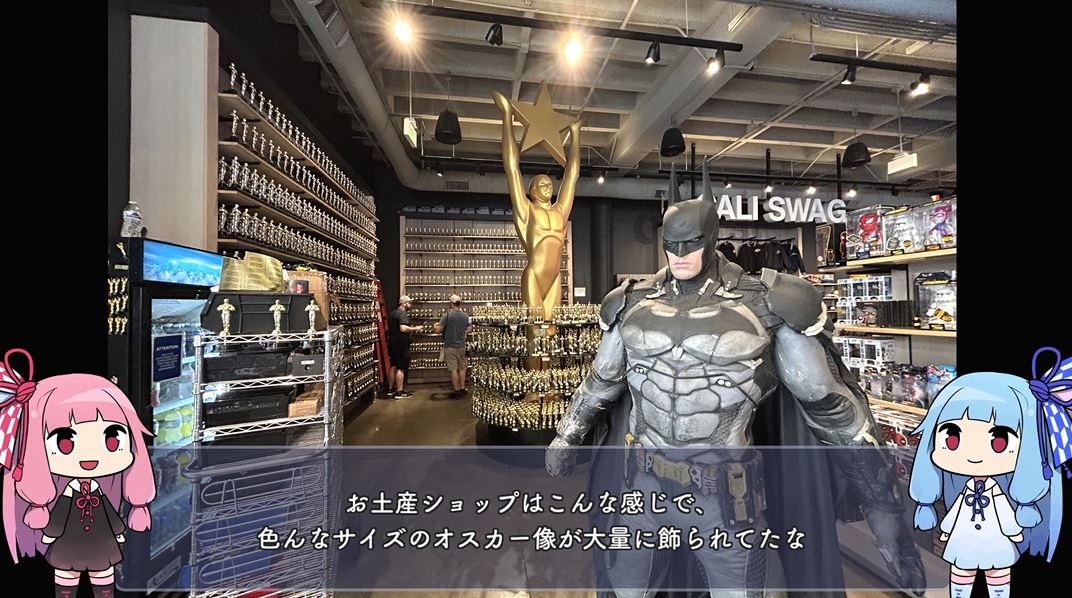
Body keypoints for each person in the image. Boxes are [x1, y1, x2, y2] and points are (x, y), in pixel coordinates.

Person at [544, 165, 925, 596]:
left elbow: (830, 408)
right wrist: (566, 437)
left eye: (691, 243)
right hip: (642, 488)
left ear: (711, 238)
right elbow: (601, 381)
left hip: (724, 496)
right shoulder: (630, 303)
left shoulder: (768, 303)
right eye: (671, 245)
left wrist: (884, 511)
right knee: (627, 590)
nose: (680, 255)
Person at [909, 347, 1067, 598]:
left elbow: (1004, 515)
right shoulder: (965, 490)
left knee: (997, 572)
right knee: (962, 571)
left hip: (995, 540)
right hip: (965, 540)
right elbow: (956, 513)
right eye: (952, 438)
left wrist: (1014, 530)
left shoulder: (998, 493)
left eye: (999, 442)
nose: (974, 456)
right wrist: (947, 528)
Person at [1, 349, 156, 598]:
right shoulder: (75, 493)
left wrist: (120, 528)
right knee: (69, 576)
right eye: (65, 443)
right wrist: (49, 530)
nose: (90, 457)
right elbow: (64, 518)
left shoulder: (92, 492)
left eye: (112, 440)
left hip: (88, 543)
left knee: (99, 577)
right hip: (83, 543)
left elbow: (103, 516)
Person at [433, 294, 475, 399]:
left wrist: (435, 326)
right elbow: (470, 328)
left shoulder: (446, 315)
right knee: (462, 368)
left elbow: (438, 330)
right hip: (461, 345)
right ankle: (463, 388)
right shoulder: (465, 315)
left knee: (453, 369)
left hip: (450, 346)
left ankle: (456, 390)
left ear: (451, 303)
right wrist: (464, 332)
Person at [387, 295, 422, 398]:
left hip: (393, 344)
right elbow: (402, 328)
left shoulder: (393, 313)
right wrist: (415, 328)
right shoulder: (402, 314)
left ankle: (390, 389)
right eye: (409, 303)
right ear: (403, 303)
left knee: (393, 366)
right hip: (401, 344)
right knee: (401, 368)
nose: (410, 305)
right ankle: (399, 391)